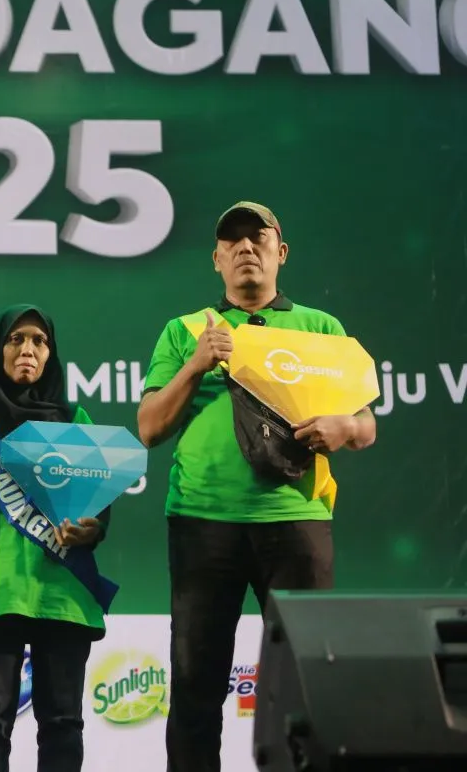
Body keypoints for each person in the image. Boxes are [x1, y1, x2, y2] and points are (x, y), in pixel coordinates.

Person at [136, 202, 377, 772]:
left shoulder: (321, 328)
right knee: (195, 686)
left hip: (296, 521)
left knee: (307, 683)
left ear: (280, 253)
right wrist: (196, 364)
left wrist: (343, 428)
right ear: (217, 260)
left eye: (258, 238)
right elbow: (149, 427)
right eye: (233, 241)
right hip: (202, 522)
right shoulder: (186, 330)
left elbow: (365, 425)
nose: (246, 247)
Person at [0, 305, 117, 772]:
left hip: (63, 593)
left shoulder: (75, 418)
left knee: (63, 724)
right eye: (16, 339)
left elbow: (99, 507)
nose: (27, 349)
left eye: (38, 340)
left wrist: (91, 529)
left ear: (51, 353)